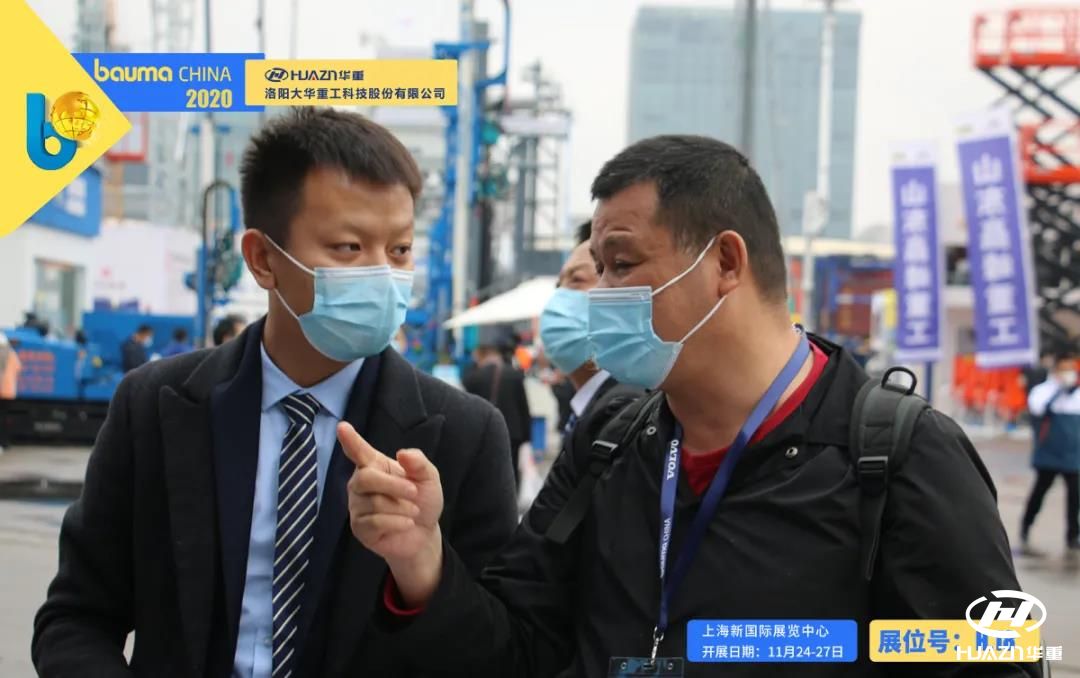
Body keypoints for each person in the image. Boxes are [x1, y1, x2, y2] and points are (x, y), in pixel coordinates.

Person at [344, 135, 1038, 677]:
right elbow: (518, 650)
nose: (599, 296)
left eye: (622, 264)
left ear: (726, 263)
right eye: (598, 268)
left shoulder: (898, 458)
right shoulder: (609, 445)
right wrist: (424, 563)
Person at [33, 107, 518, 678]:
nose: (382, 275)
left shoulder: (464, 435)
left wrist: (423, 566)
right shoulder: (154, 407)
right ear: (263, 259)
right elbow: (76, 617)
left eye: (400, 250)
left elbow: (499, 656)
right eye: (348, 247)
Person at [539, 219, 644, 450]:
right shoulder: (592, 408)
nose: (559, 298)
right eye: (558, 285)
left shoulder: (624, 413)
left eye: (576, 280)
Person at [1021, 351, 1080, 558]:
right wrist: (1058, 391)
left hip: (1072, 454)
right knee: (1040, 491)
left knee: (1075, 495)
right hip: (1049, 453)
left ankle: (1073, 535)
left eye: (1071, 369)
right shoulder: (1042, 391)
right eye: (1064, 369)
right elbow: (1037, 409)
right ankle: (1026, 526)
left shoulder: (1077, 394)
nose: (1069, 373)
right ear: (1055, 370)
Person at [462, 334, 532, 491]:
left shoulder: (474, 377)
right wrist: (527, 436)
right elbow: (523, 406)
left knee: (486, 469)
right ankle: (511, 498)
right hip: (513, 431)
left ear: (480, 355)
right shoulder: (514, 375)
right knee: (511, 469)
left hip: (484, 430)